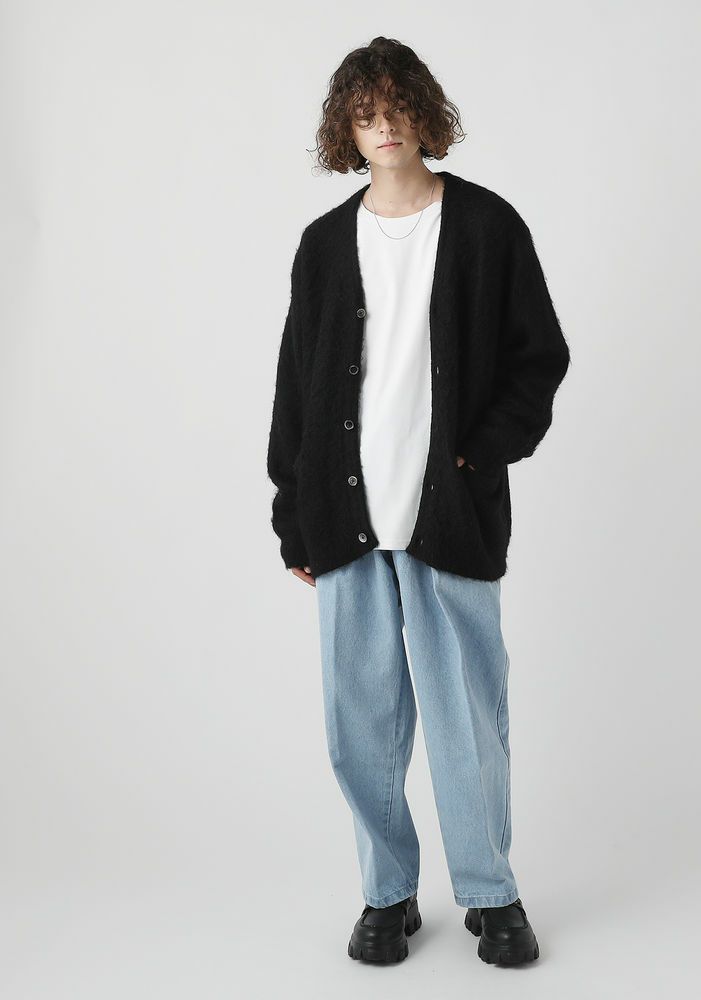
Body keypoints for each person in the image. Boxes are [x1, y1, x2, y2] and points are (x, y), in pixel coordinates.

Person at [267, 36, 570, 965]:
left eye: (397, 107)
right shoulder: (324, 245)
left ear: (423, 113)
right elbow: (295, 387)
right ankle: (386, 893)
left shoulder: (486, 226)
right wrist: (291, 513)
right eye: (365, 113)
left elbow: (537, 357)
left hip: (449, 513)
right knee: (359, 724)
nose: (384, 126)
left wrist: (481, 455)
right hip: (345, 519)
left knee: (467, 718)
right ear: (345, 129)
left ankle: (491, 893)